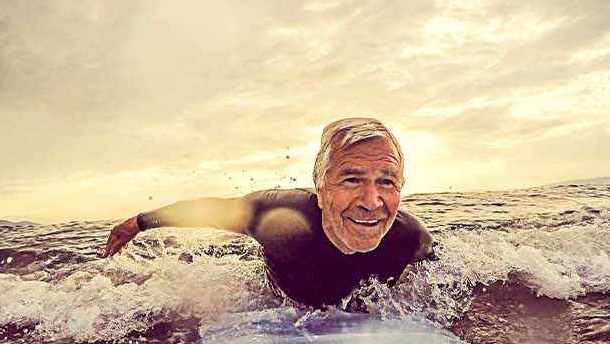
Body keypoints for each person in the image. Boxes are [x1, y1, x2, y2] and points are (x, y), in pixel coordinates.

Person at [102, 117, 434, 307]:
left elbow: (444, 278)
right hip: (281, 300)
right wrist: (140, 223)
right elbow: (208, 211)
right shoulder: (280, 218)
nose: (371, 201)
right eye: (351, 179)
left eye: (387, 182)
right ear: (319, 185)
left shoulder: (410, 237)